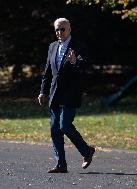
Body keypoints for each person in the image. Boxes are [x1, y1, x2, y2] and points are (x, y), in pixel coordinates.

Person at [38, 18, 95, 173]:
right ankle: (61, 164)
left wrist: (75, 61)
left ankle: (86, 151)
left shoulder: (78, 46)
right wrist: (43, 91)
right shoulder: (52, 47)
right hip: (55, 93)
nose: (59, 32)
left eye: (62, 29)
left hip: (71, 93)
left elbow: (85, 65)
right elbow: (47, 72)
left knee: (65, 126)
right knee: (55, 129)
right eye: (57, 29)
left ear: (69, 30)